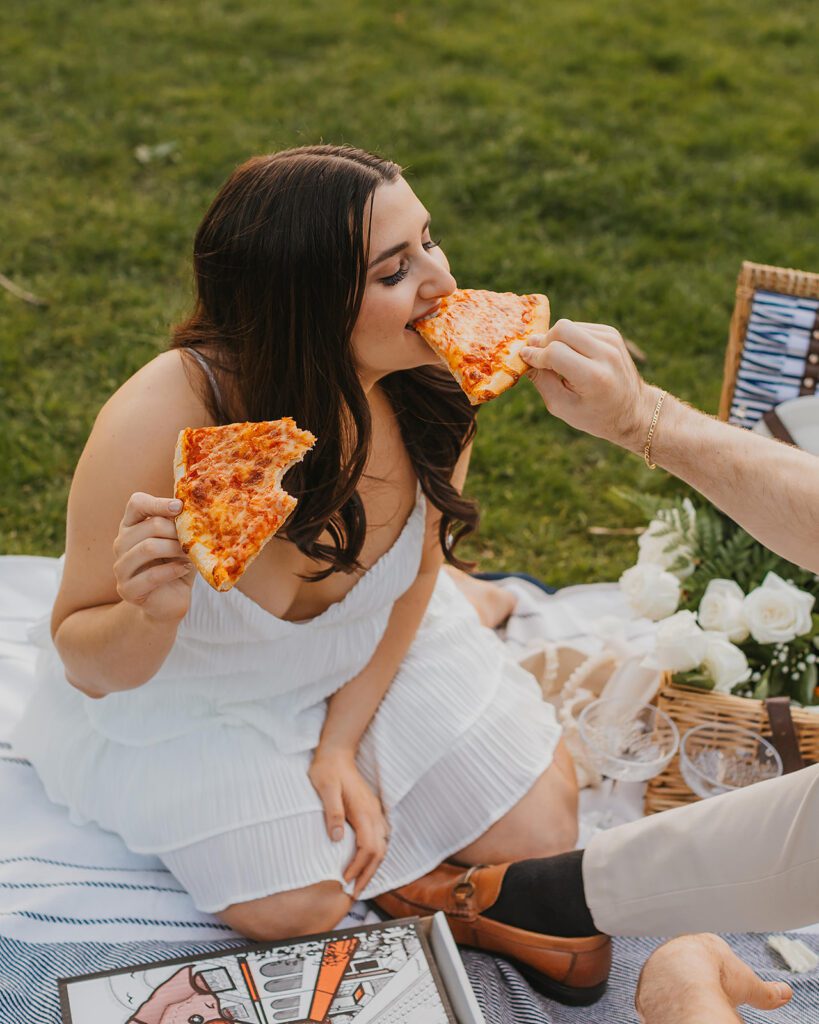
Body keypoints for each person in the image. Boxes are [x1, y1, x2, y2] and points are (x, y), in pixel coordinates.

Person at [12, 145, 588, 1003]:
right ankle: (430, 888)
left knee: (546, 828)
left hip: (360, 655)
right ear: (303, 302)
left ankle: (417, 865)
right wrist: (150, 613)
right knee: (297, 907)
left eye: (429, 242)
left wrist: (341, 743)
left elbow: (413, 581)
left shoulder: (434, 388)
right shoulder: (164, 422)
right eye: (395, 270)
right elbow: (88, 667)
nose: (440, 283)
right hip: (188, 703)